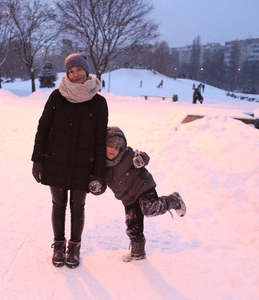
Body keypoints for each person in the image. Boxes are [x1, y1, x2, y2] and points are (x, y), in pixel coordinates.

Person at [31, 52, 109, 269]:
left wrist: (98, 172)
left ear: (86, 70)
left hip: (84, 162)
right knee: (58, 204)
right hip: (55, 160)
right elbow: (43, 128)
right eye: (71, 71)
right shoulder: (57, 96)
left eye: (79, 70)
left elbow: (100, 138)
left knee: (78, 206)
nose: (75, 75)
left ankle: (74, 247)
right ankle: (58, 244)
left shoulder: (99, 102)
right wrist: (37, 160)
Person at [88, 126, 186, 262]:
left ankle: (173, 200)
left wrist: (141, 160)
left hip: (143, 187)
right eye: (110, 146)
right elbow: (101, 186)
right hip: (127, 199)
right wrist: (96, 187)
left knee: (150, 209)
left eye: (117, 148)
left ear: (121, 149)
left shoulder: (128, 155)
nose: (113, 150)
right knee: (133, 224)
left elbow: (145, 157)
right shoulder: (100, 166)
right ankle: (138, 253)